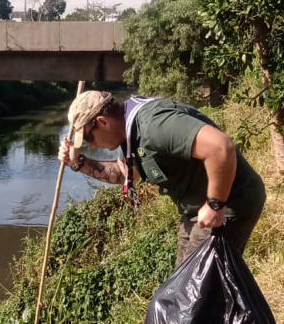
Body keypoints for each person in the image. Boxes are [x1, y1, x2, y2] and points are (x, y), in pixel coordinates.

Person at [58, 91, 266, 266]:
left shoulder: (154, 125)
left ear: (102, 122)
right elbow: (125, 174)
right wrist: (79, 163)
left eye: (88, 138)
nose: (91, 145)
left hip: (230, 202)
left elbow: (220, 147)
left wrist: (215, 204)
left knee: (198, 294)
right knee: (184, 288)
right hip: (196, 212)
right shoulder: (128, 133)